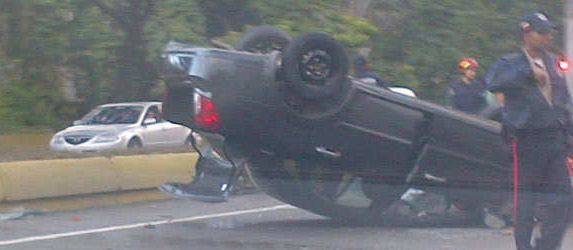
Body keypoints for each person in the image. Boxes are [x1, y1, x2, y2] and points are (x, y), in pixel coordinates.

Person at [486, 12, 573, 250]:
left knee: (563, 199)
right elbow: (493, 82)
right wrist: (527, 74)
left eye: (549, 32)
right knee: (525, 201)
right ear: (527, 33)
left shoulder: (554, 63)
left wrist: (569, 136)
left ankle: (546, 246)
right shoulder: (510, 63)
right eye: (541, 32)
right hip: (526, 140)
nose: (547, 37)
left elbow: (564, 101)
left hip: (554, 140)